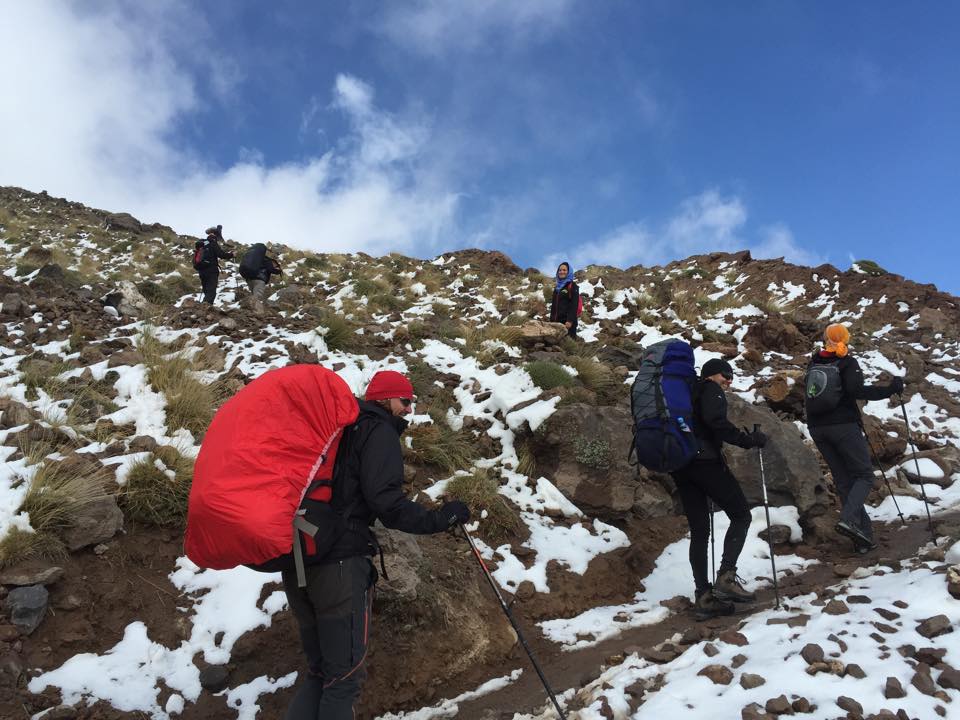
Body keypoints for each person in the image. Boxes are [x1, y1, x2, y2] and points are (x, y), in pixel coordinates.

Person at [281, 370, 471, 720]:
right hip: (340, 566)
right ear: (384, 399)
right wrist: (440, 519)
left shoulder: (336, 429)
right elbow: (387, 504)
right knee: (343, 680)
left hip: (297, 559)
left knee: (321, 672)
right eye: (405, 401)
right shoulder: (377, 430)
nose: (409, 410)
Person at [670, 358, 767, 620]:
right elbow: (716, 422)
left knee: (700, 530)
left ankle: (704, 596)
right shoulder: (709, 389)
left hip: (681, 465)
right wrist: (747, 440)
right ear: (712, 374)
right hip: (706, 464)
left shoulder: (683, 393)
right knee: (741, 515)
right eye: (726, 375)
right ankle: (726, 577)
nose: (729, 381)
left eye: (732, 377)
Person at [805, 323, 903, 554]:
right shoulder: (847, 361)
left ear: (826, 338)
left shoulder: (815, 361)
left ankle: (863, 538)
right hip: (843, 427)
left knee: (844, 481)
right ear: (845, 339)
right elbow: (857, 391)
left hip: (817, 428)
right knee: (864, 476)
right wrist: (890, 389)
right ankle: (849, 519)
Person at [195, 225, 234, 305]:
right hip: (211, 270)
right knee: (211, 291)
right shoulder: (212, 242)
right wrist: (232, 255)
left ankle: (203, 308)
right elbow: (221, 254)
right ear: (215, 235)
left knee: (207, 290)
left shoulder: (204, 243)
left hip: (201, 270)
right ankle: (205, 308)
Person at [239, 242, 282, 314]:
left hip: (250, 280)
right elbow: (271, 269)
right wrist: (279, 271)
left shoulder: (252, 257)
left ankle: (250, 312)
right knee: (257, 297)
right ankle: (255, 314)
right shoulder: (265, 259)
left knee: (254, 296)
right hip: (259, 280)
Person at [549, 261, 579, 338]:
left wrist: (570, 320)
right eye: (560, 270)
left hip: (567, 324)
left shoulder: (572, 286)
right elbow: (553, 306)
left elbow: (574, 304)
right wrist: (551, 322)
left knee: (567, 347)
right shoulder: (557, 288)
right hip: (555, 323)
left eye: (564, 270)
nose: (561, 272)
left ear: (569, 272)